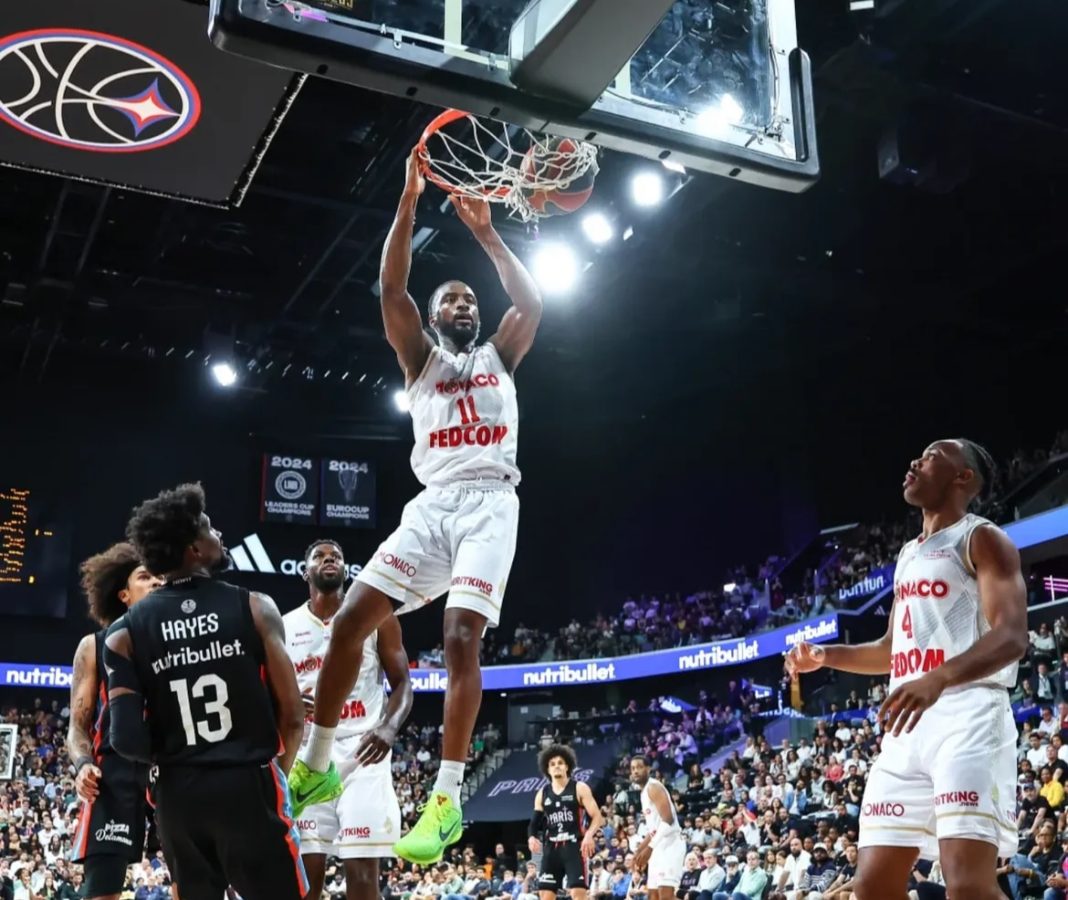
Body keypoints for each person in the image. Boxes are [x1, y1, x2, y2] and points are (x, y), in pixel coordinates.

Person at [290, 146, 544, 866]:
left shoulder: (502, 353)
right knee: (349, 622)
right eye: (449, 301)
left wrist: (490, 235)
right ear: (432, 321)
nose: (462, 304)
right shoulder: (419, 361)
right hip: (432, 507)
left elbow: (532, 303)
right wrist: (406, 200)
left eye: (468, 298)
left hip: (491, 504)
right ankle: (314, 761)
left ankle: (446, 800)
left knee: (462, 636)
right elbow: (389, 287)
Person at [785, 439, 1027, 900]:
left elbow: (1013, 635)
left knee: (969, 885)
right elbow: (891, 649)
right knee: (872, 887)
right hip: (906, 729)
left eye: (934, 455)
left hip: (968, 715)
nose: (916, 460)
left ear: (964, 478)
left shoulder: (982, 538)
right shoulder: (908, 555)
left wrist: (936, 678)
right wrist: (825, 655)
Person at [103, 483, 308, 900]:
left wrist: (175, 763)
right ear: (195, 548)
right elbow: (293, 715)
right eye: (211, 529)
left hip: (179, 794)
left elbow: (123, 738)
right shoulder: (256, 606)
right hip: (248, 782)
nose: (220, 536)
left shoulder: (122, 634)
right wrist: (275, 779)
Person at [283, 539, 413, 900]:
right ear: (305, 571)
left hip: (363, 754)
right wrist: (291, 703)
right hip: (309, 758)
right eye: (320, 556)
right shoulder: (284, 625)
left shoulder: (377, 618)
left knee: (361, 871)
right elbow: (268, 692)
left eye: (337, 556)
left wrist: (389, 727)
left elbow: (403, 683)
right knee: (305, 877)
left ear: (345, 570)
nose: (330, 560)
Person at [69, 542, 163, 900]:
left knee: (193, 882)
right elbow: (78, 727)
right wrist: (82, 765)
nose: (156, 583)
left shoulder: (183, 642)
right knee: (101, 891)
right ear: (123, 594)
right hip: (113, 774)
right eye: (145, 577)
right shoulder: (93, 645)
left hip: (170, 768)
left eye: (160, 578)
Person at [527, 744, 604, 900]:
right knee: (545, 895)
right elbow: (533, 824)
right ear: (547, 769)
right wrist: (531, 837)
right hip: (551, 848)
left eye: (560, 763)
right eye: (552, 764)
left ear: (567, 766)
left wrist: (589, 835)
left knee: (578, 894)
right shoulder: (542, 793)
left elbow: (598, 817)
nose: (557, 767)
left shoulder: (579, 788)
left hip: (574, 846)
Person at [629, 756, 685, 900]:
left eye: (639, 767)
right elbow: (653, 829)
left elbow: (668, 820)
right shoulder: (643, 793)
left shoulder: (654, 787)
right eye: (633, 768)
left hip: (671, 844)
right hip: (658, 846)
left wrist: (649, 848)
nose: (635, 771)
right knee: (652, 896)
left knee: (665, 896)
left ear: (648, 769)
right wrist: (639, 850)